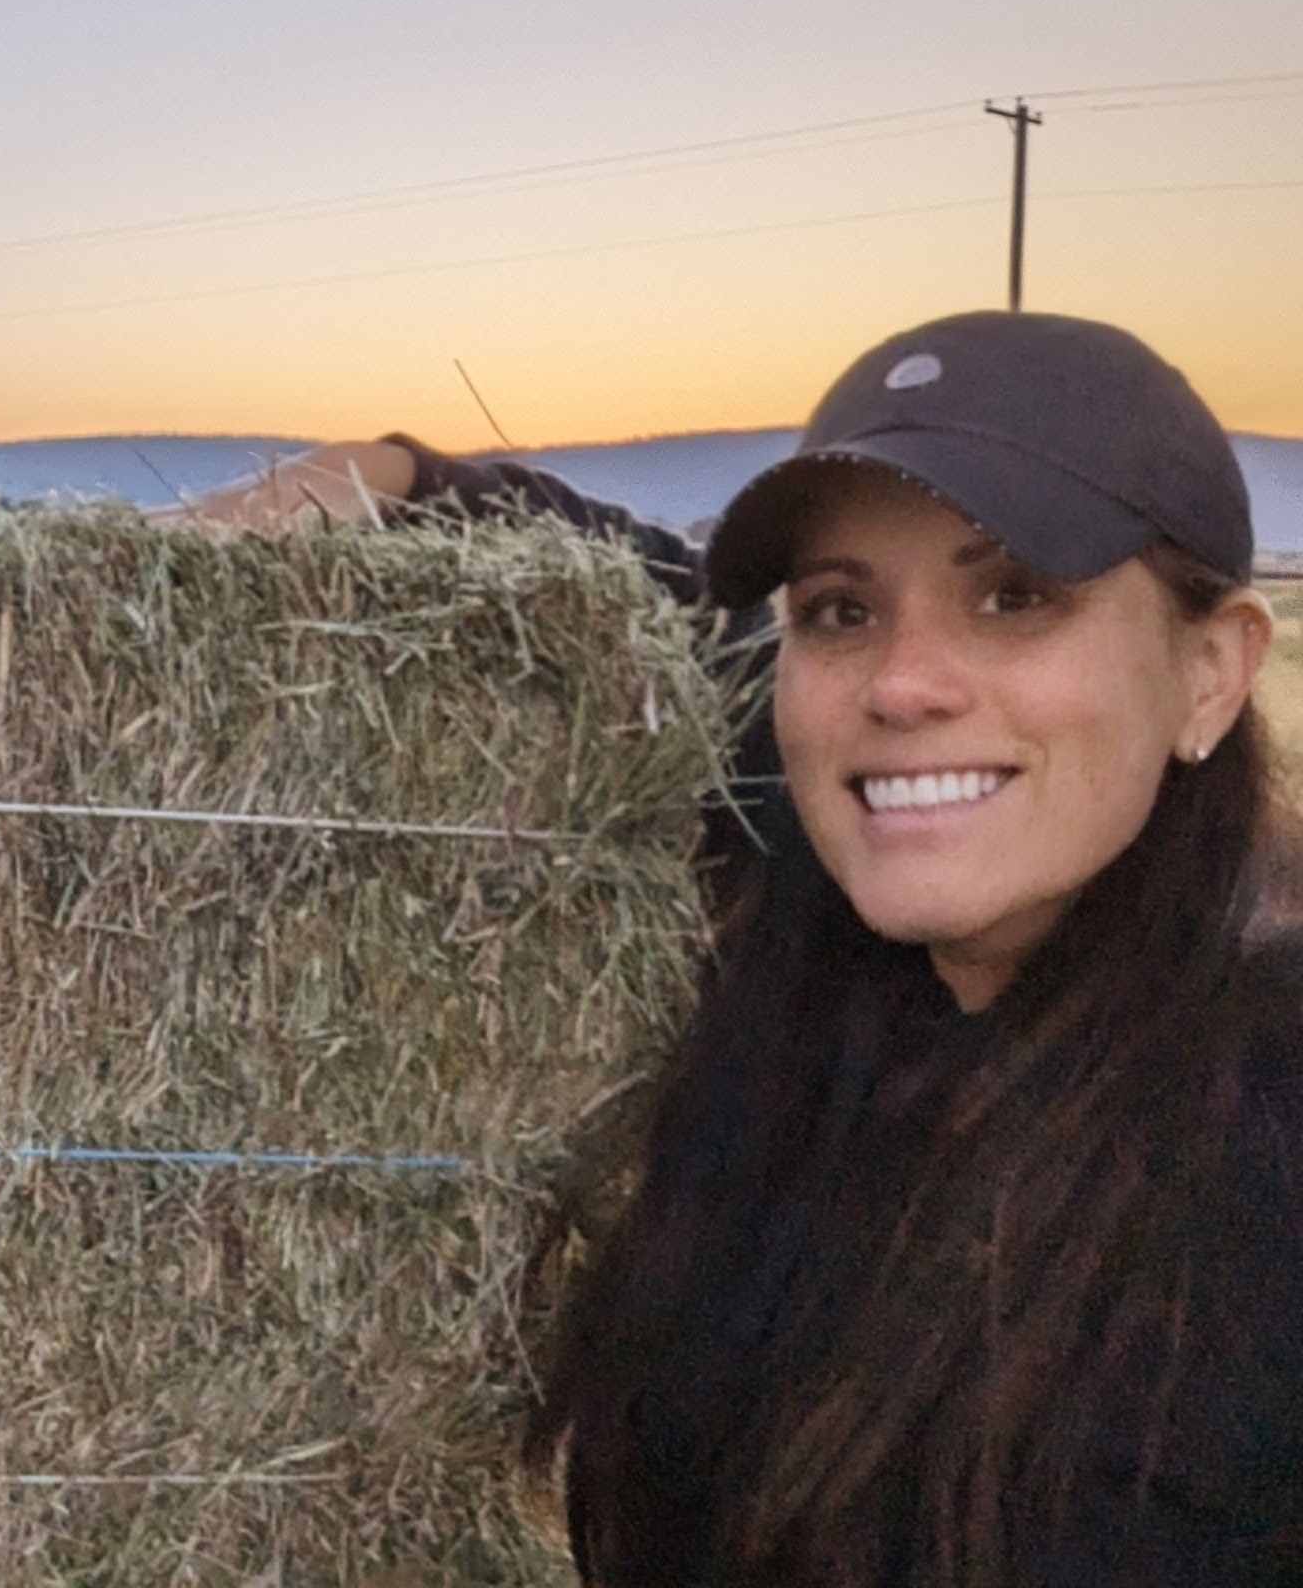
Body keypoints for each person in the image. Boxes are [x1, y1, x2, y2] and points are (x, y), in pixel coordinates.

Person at [205, 315, 1303, 1580]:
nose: (903, 684)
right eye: (841, 610)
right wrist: (381, 480)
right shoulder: (830, 947)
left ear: (1213, 671)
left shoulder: (1259, 1124)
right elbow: (630, 599)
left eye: (1015, 597)